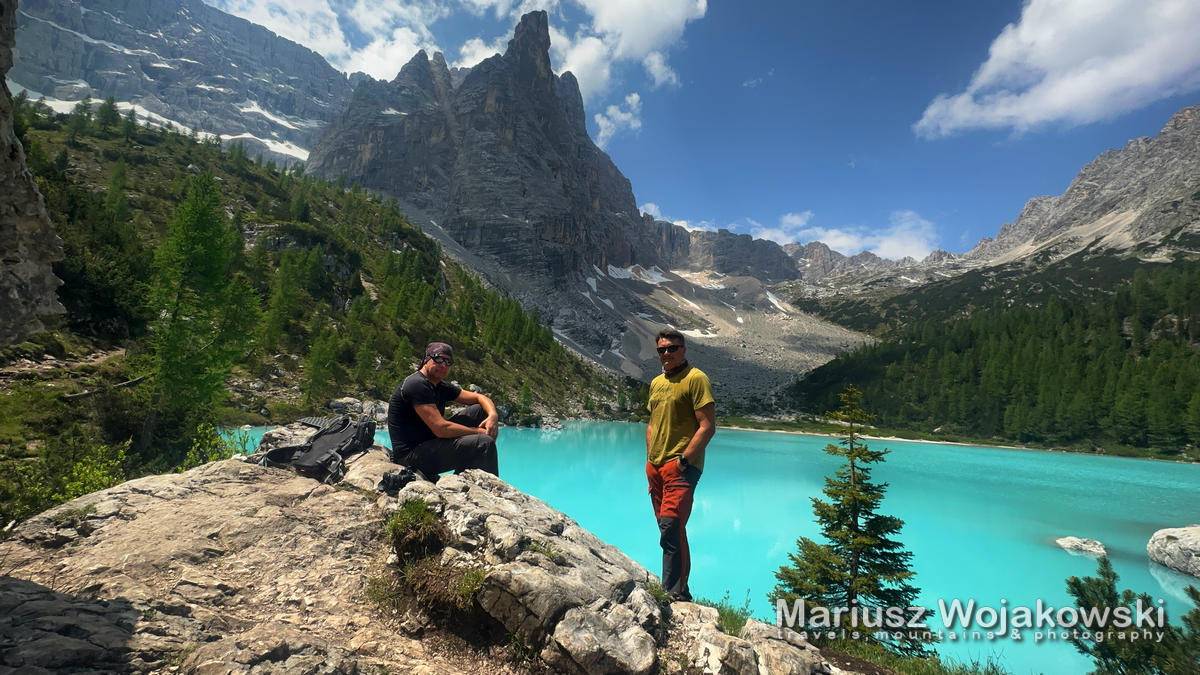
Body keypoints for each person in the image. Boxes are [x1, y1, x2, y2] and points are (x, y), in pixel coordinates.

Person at [645, 329, 715, 602]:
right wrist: (650, 460)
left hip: (682, 467)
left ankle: (677, 594)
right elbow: (652, 424)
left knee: (671, 526)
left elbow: (707, 427)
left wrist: (683, 461)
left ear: (683, 349)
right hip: (657, 468)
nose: (666, 354)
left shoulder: (696, 379)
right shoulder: (656, 383)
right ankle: (672, 588)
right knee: (668, 529)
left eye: (672, 348)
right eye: (661, 350)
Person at [387, 342, 500, 478]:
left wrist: (493, 415)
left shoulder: (439, 385)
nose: (444, 365)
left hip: (429, 442)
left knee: (481, 410)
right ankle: (486, 490)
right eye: (438, 359)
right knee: (483, 443)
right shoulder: (416, 384)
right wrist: (478, 432)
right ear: (426, 359)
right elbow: (441, 428)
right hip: (411, 456)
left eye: (448, 362)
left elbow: (479, 397)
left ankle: (465, 475)